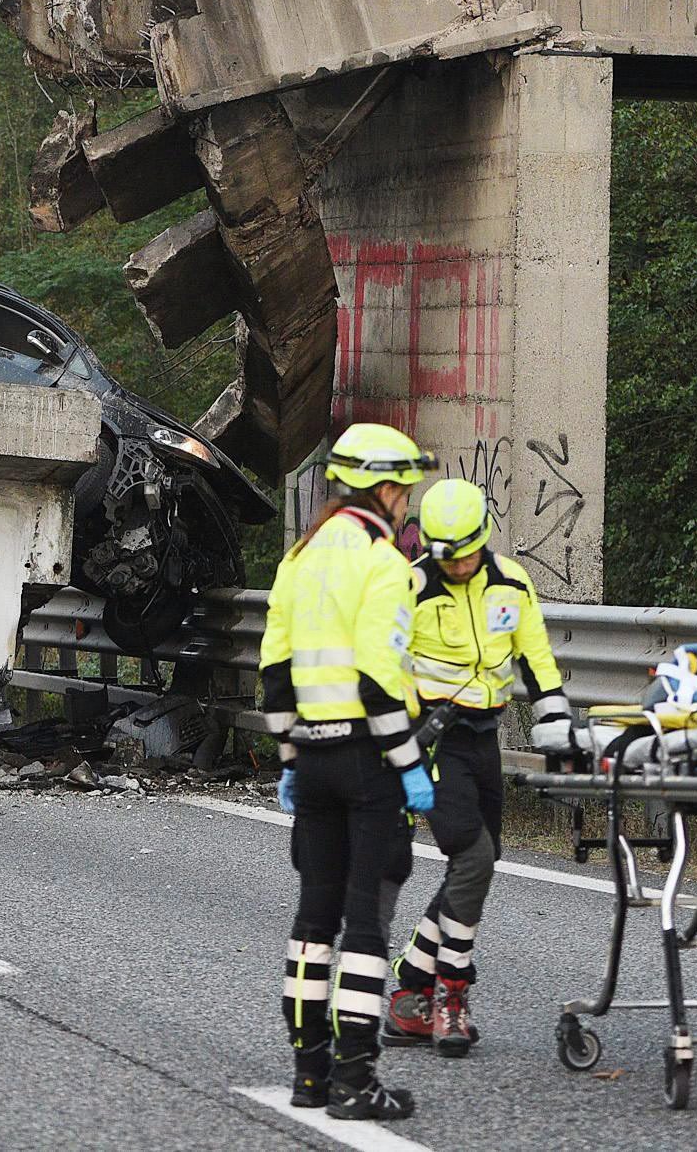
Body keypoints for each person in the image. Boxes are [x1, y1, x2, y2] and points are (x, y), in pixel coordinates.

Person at [259, 422, 435, 1122]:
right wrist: (410, 765)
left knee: (312, 921)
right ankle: (356, 1085)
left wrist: (292, 758)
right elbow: (379, 680)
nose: (405, 501)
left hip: (315, 760)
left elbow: (274, 674)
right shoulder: (383, 561)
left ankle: (310, 1076)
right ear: (383, 487)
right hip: (368, 763)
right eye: (403, 487)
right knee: (365, 925)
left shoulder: (301, 556)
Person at [381, 478, 574, 1056]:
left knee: (477, 867)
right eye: (446, 554)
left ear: (483, 538)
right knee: (474, 857)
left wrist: (556, 725)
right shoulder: (411, 588)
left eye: (466, 552)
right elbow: (385, 671)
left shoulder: (512, 583)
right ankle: (450, 996)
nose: (458, 564)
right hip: (432, 742)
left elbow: (537, 660)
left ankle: (410, 989)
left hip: (483, 739)